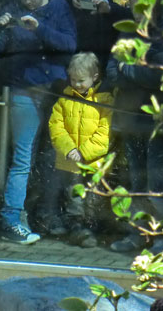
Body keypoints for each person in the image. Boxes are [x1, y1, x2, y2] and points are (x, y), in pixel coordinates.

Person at [0, 0, 77, 244]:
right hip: (23, 89)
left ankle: (50, 214)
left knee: (56, 155)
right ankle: (10, 219)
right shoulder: (12, 8)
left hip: (56, 90)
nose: (29, 1)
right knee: (23, 157)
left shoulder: (58, 8)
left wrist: (40, 29)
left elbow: (70, 45)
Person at [107, 0, 163, 253]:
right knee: (134, 179)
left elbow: (160, 74)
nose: (139, 11)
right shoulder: (126, 33)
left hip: (156, 119)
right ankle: (138, 234)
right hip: (130, 116)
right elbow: (112, 71)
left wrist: (129, 69)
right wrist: (132, 70)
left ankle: (162, 237)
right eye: (136, 5)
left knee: (157, 181)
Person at [45, 52, 113, 247]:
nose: (77, 85)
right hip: (70, 160)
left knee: (93, 196)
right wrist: (69, 149)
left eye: (81, 80)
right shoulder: (64, 100)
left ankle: (90, 228)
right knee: (73, 194)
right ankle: (77, 229)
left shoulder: (104, 101)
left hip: (94, 161)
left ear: (95, 77)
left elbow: (104, 134)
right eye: (73, 80)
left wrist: (83, 151)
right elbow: (56, 128)